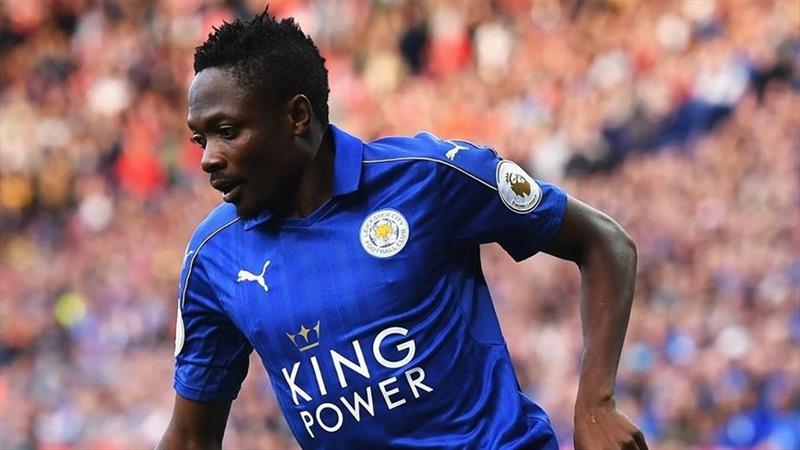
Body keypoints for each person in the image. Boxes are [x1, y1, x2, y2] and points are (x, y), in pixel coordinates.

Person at [158, 10, 648, 450]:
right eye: (201, 139)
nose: (208, 159)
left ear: (297, 116)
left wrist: (595, 405)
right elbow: (190, 437)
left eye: (227, 131)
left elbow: (603, 241)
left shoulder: (429, 176)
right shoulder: (214, 257)